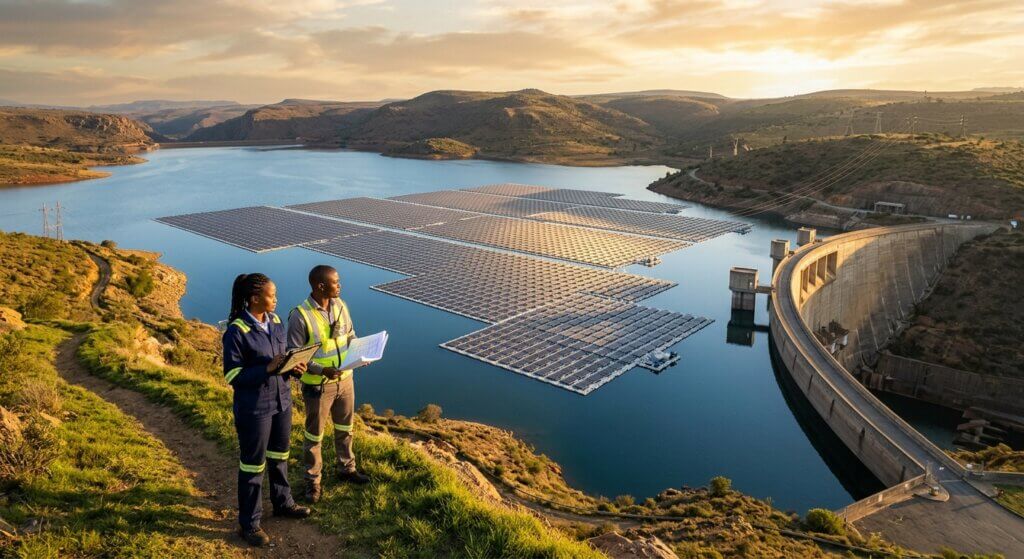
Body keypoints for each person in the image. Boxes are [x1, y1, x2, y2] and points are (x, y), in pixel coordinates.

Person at [223, 273, 312, 547]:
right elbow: (233, 376)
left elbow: (280, 360)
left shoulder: (275, 321)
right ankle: (249, 524)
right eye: (271, 295)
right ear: (254, 298)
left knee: (280, 456)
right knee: (253, 465)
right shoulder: (237, 331)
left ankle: (283, 502)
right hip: (255, 408)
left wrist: (293, 368)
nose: (276, 300)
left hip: (282, 402)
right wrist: (267, 368)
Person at [287, 265, 370, 504]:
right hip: (319, 386)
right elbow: (294, 355)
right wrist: (322, 370)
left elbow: (351, 335)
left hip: (345, 380)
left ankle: (347, 469)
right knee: (314, 436)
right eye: (336, 282)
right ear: (321, 286)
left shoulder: (341, 305)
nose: (340, 285)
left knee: (346, 428)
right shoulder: (300, 315)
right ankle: (312, 481)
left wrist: (361, 352)